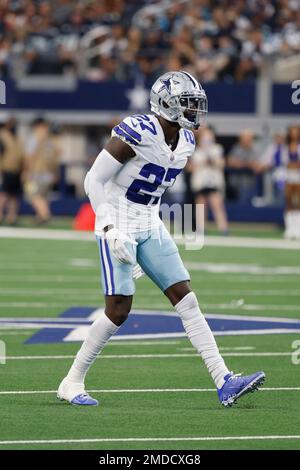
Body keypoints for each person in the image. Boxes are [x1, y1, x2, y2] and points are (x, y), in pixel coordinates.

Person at [57, 71, 265, 408]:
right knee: (119, 310)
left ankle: (224, 380)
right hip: (117, 220)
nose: (195, 111)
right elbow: (93, 180)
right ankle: (72, 380)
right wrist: (109, 230)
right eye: (188, 103)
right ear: (166, 104)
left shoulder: (186, 142)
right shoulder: (137, 131)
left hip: (149, 222)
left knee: (186, 298)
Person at [189, 127, 228, 234]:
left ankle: (223, 228)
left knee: (216, 204)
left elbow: (222, 164)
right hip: (200, 182)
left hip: (214, 181)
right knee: (201, 205)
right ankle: (201, 228)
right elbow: (190, 168)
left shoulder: (217, 149)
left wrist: (212, 160)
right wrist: (202, 163)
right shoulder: (196, 151)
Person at [24, 118, 60, 225]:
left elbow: (31, 157)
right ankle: (40, 218)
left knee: (32, 195)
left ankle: (45, 214)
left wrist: (27, 171)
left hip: (37, 173)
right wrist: (55, 173)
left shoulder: (34, 138)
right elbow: (55, 159)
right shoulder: (50, 140)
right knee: (44, 196)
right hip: (49, 174)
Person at [0, 118, 24, 225]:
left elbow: (21, 155)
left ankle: (12, 217)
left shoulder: (16, 137)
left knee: (15, 195)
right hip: (7, 169)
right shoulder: (3, 136)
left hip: (16, 170)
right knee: (5, 193)